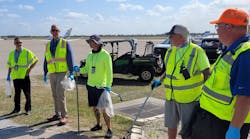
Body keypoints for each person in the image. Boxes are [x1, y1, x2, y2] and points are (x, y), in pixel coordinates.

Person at [190, 8, 250, 139]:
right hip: (211, 119)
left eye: (218, 26)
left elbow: (245, 97)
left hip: (224, 124)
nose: (216, 30)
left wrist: (234, 129)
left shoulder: (245, 54)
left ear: (229, 27)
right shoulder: (232, 50)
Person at [152, 25, 211, 139]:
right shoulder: (170, 51)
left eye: (171, 36)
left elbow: (207, 72)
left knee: (187, 129)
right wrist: (160, 80)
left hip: (189, 98)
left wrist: (205, 93)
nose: (169, 38)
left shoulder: (197, 51)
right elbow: (168, 71)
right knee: (171, 125)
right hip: (171, 96)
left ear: (181, 36)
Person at [73, 35, 113, 138]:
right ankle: (98, 124)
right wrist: (79, 70)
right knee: (95, 108)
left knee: (104, 109)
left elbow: (109, 72)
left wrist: (108, 86)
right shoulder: (89, 55)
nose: (90, 44)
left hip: (102, 87)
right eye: (89, 42)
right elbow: (86, 69)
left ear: (97, 43)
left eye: (91, 42)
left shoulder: (105, 55)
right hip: (90, 86)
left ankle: (109, 129)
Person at [43, 24, 74, 126]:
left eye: (56, 30)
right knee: (54, 94)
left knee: (60, 93)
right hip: (52, 72)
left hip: (62, 72)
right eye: (53, 30)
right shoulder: (48, 45)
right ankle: (57, 114)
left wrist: (71, 72)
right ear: (51, 32)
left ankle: (64, 116)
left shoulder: (64, 43)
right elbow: (46, 59)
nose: (55, 32)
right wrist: (45, 71)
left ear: (59, 31)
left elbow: (70, 57)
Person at [7, 37, 38, 115]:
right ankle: (17, 109)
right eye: (17, 43)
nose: (19, 44)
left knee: (27, 93)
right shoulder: (11, 53)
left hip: (24, 76)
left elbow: (36, 60)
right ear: (14, 44)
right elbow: (10, 65)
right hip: (15, 76)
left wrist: (29, 69)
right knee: (17, 94)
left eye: (20, 42)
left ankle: (28, 109)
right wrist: (8, 75)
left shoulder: (27, 52)